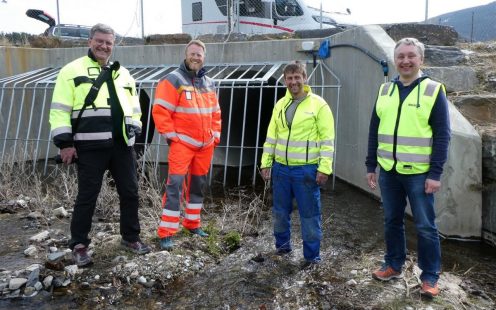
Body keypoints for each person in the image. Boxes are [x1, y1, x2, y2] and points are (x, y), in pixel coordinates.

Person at [49, 23, 151, 267]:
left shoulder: (123, 73)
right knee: (87, 196)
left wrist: (135, 129)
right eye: (100, 41)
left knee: (130, 192)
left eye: (108, 42)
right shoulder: (71, 71)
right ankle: (80, 245)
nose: (104, 46)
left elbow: (135, 107)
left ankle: (130, 237)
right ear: (89, 42)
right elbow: (59, 110)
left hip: (121, 146)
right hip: (89, 147)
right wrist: (65, 144)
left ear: (113, 45)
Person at [365, 37, 451, 298]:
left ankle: (430, 276)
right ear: (395, 59)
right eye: (401, 56)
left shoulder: (433, 90)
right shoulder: (384, 91)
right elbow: (373, 131)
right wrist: (371, 164)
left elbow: (443, 135)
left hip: (419, 173)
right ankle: (393, 264)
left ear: (420, 60)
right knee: (392, 220)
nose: (405, 60)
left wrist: (435, 173)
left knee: (425, 226)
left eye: (411, 56)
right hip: (389, 171)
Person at [260, 61, 335, 266]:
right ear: (285, 80)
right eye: (290, 78)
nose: (294, 82)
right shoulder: (280, 105)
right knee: (279, 213)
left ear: (305, 78)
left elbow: (328, 140)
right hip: (281, 169)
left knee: (309, 216)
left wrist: (324, 168)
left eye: (297, 77)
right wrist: (266, 163)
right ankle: (282, 248)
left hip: (307, 170)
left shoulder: (319, 105)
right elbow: (271, 137)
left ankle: (311, 258)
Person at [152, 39, 221, 250]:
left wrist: (215, 135)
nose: (196, 57)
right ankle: (166, 232)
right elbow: (161, 111)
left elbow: (216, 113)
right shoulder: (172, 80)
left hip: (205, 145)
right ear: (186, 55)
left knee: (198, 186)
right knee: (174, 187)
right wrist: (172, 137)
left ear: (204, 57)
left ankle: (192, 224)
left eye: (199, 54)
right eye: (193, 53)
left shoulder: (209, 82)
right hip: (182, 144)